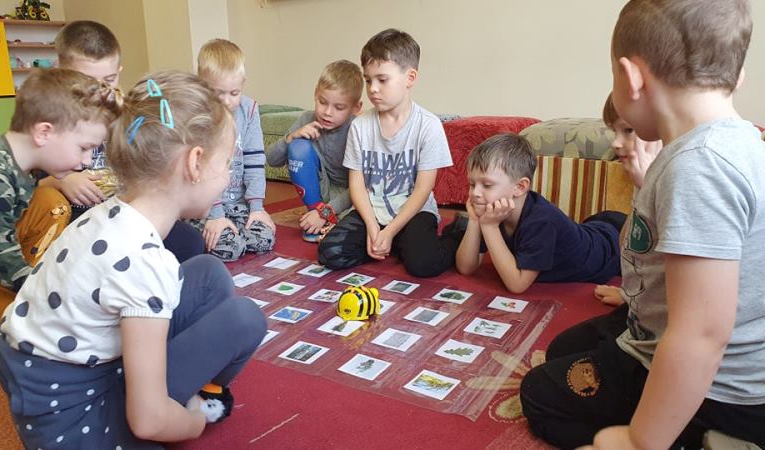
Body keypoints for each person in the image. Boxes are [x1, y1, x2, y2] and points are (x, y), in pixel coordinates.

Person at [520, 1, 765, 448]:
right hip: (690, 350)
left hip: (717, 392)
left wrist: (639, 440)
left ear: (630, 78)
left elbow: (701, 335)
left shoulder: (698, 166)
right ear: (736, 75)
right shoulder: (739, 141)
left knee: (539, 394)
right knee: (563, 351)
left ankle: (698, 439)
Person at [0, 71, 267, 449]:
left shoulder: (107, 214)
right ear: (195, 163)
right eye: (227, 163)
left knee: (208, 272)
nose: (229, 175)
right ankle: (193, 398)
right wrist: (194, 421)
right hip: (78, 414)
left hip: (45, 373)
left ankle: (179, 385)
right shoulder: (146, 263)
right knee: (245, 318)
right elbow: (149, 422)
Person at [0, 69, 120, 363]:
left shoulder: (24, 164)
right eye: (84, 148)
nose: (86, 161)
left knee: (50, 202)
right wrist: (61, 298)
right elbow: (2, 260)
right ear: (44, 133)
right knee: (30, 324)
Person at [42, 20, 205, 262]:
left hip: (124, 212)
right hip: (78, 221)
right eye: (87, 81)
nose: (99, 91)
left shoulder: (126, 114)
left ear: (119, 72)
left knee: (190, 242)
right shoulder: (47, 119)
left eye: (108, 80)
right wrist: (61, 181)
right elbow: (29, 187)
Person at [317, 28, 464, 277]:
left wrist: (391, 230)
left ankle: (456, 232)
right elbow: (357, 184)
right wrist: (373, 228)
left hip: (414, 212)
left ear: (410, 77)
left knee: (423, 264)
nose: (373, 89)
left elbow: (423, 189)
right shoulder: (360, 126)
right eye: (368, 80)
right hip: (371, 211)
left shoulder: (428, 126)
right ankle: (393, 244)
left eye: (382, 80)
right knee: (330, 252)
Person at [455, 133, 625, 294]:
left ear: (520, 187)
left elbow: (517, 284)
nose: (475, 193)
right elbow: (466, 267)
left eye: (487, 185)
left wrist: (490, 228)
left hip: (614, 244)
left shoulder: (541, 220)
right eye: (472, 184)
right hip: (591, 228)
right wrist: (474, 221)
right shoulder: (493, 212)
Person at [191, 39, 275, 261]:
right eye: (218, 93)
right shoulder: (196, 114)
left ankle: (233, 232)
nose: (227, 102)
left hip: (238, 205)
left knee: (263, 239)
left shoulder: (249, 110)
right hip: (204, 207)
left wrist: (256, 208)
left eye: (234, 93)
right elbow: (199, 172)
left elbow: (255, 161)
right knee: (230, 247)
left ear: (243, 84)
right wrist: (216, 215)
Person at [266, 60, 363, 242]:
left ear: (355, 108)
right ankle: (314, 213)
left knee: (352, 232)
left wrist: (326, 212)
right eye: (322, 102)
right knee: (298, 146)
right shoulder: (307, 119)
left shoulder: (359, 129)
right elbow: (271, 160)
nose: (327, 112)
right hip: (321, 190)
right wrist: (291, 138)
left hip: (354, 196)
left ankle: (323, 217)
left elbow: (363, 186)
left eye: (339, 107)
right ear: (315, 94)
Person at [593, 94, 662, 307]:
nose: (615, 143)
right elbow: (627, 248)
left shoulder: (678, 180)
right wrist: (642, 188)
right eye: (614, 131)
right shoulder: (643, 175)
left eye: (628, 130)